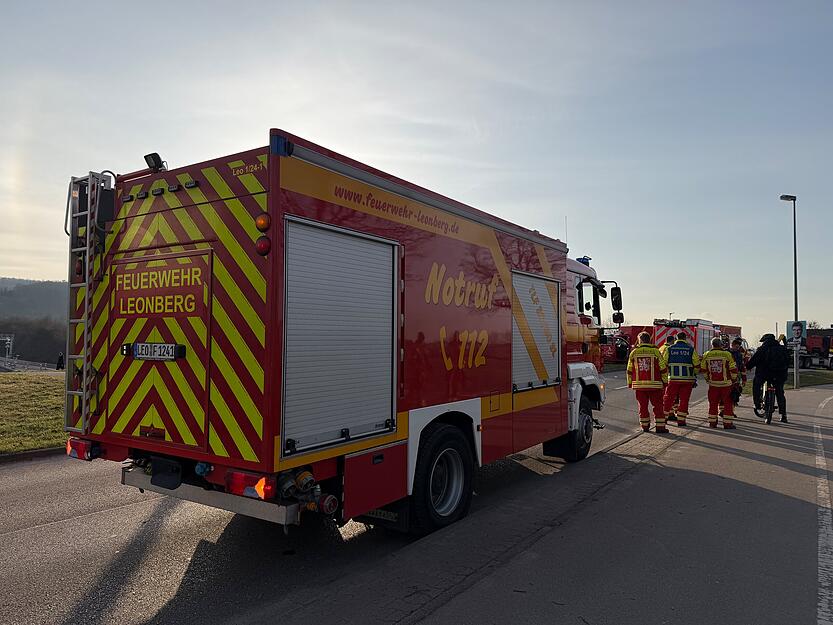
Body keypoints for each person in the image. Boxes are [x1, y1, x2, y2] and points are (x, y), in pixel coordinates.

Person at [627, 331, 669, 433]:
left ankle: (645, 426)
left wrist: (629, 383)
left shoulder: (634, 352)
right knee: (658, 406)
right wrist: (665, 381)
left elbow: (629, 370)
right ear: (649, 340)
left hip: (639, 385)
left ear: (639, 340)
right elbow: (663, 368)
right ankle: (660, 427)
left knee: (643, 406)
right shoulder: (655, 351)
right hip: (655, 385)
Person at [746, 333, 789, 423]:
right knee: (780, 393)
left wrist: (748, 367)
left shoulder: (762, 349)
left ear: (765, 341)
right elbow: (788, 361)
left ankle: (757, 404)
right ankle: (783, 415)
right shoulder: (782, 349)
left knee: (757, 385)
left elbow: (754, 360)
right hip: (779, 375)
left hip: (764, 374)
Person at [662, 332, 699, 427]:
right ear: (685, 338)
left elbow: (664, 363)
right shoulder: (691, 349)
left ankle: (663, 418)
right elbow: (697, 364)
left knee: (668, 398)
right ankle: (681, 421)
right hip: (687, 380)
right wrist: (694, 374)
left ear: (676, 338)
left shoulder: (669, 348)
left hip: (673, 378)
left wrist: (666, 376)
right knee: (684, 400)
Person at [700, 337, 739, 429]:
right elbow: (733, 369)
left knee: (713, 403)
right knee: (728, 403)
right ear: (721, 344)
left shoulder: (707, 354)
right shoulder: (727, 354)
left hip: (713, 384)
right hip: (726, 384)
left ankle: (712, 423)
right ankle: (727, 424)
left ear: (712, 345)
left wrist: (707, 379)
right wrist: (733, 380)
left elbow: (703, 369)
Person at [729, 338, 746, 405]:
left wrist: (744, 379)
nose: (737, 348)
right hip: (728, 374)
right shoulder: (727, 353)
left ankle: (735, 401)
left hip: (737, 374)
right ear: (732, 345)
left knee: (737, 388)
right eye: (736, 347)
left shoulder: (739, 354)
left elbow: (742, 367)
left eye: (738, 347)